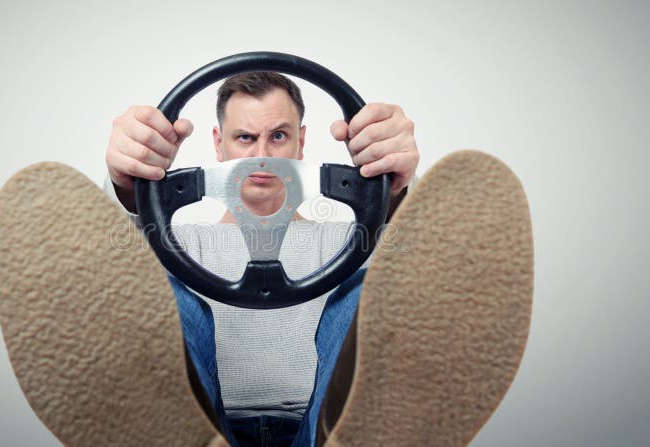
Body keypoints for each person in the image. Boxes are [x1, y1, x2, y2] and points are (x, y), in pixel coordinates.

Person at [103, 72, 418, 446]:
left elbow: (413, 269)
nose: (262, 157)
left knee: (367, 296)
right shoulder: (173, 242)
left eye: (279, 136)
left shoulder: (352, 241)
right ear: (219, 145)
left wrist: (393, 185)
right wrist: (127, 183)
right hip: (208, 426)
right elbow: (110, 271)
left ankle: (357, 434)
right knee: (160, 298)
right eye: (245, 138)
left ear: (301, 142)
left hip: (320, 427)